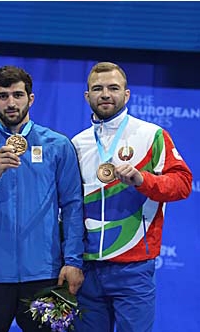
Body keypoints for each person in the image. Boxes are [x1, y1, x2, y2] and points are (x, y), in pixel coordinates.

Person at [0, 65, 84, 332]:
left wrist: (72, 261)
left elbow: (72, 206)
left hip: (45, 273)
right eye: (3, 96)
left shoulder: (58, 145)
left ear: (31, 98)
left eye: (17, 95)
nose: (11, 103)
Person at [72, 61, 192, 332]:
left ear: (127, 95)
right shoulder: (77, 143)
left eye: (113, 88)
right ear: (87, 96)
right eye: (98, 88)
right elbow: (68, 207)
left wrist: (142, 179)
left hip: (133, 267)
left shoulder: (151, 135)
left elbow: (183, 184)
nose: (105, 94)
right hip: (87, 268)